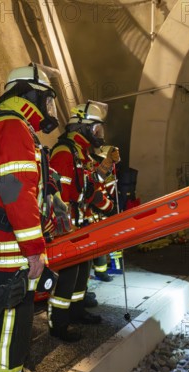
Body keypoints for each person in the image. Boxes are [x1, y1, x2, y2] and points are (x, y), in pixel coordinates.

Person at [0, 63, 60, 372]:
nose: (48, 108)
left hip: (8, 245)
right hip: (8, 249)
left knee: (17, 320)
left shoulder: (10, 125)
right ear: (28, 94)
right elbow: (15, 189)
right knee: (6, 325)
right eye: (45, 98)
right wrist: (34, 248)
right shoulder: (10, 126)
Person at [47, 100, 120, 342]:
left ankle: (76, 312)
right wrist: (67, 230)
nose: (99, 135)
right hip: (68, 228)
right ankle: (59, 323)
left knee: (82, 271)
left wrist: (107, 165)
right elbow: (63, 197)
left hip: (80, 226)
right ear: (81, 127)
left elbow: (91, 182)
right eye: (96, 129)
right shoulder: (64, 152)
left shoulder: (79, 153)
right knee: (68, 276)